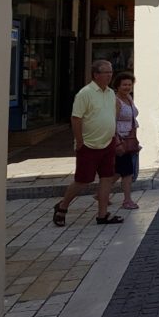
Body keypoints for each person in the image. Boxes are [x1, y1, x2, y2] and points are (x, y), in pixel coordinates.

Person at [52, 60, 124, 227]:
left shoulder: (110, 93)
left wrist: (115, 136)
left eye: (111, 72)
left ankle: (102, 214)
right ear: (96, 75)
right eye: (106, 72)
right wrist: (79, 141)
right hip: (89, 144)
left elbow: (113, 114)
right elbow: (76, 118)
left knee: (107, 178)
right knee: (83, 180)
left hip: (108, 142)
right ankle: (62, 207)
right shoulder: (85, 93)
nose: (109, 75)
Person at [111, 71, 141, 210]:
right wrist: (117, 141)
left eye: (129, 84)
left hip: (130, 138)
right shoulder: (116, 101)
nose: (127, 87)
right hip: (121, 139)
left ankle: (101, 193)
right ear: (117, 86)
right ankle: (127, 200)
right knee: (127, 171)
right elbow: (113, 122)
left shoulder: (129, 98)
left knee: (120, 170)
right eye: (124, 84)